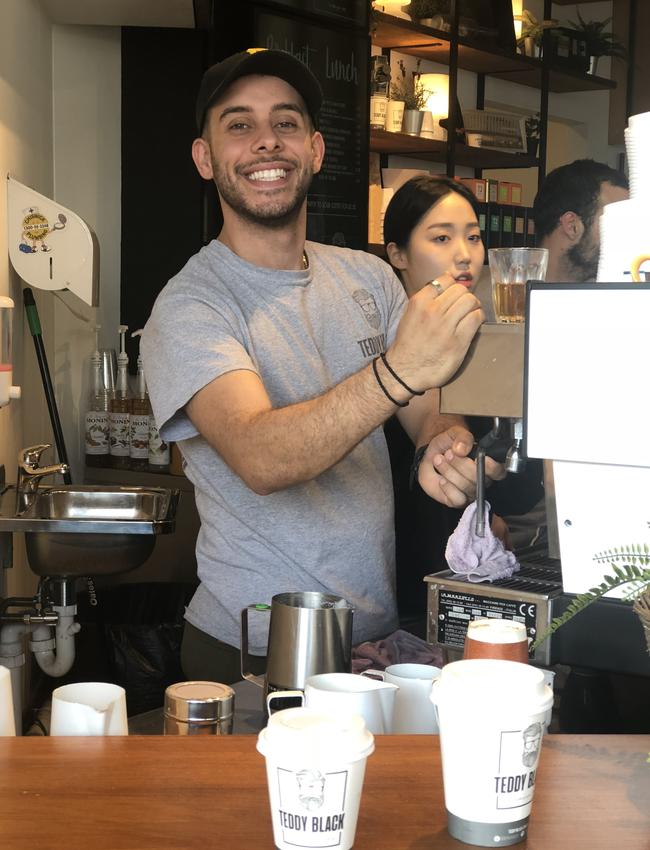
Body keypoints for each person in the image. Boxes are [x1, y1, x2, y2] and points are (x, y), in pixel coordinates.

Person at [141, 49, 501, 683]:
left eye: (284, 123)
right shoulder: (191, 305)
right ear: (205, 158)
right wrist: (396, 371)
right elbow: (261, 457)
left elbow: (429, 409)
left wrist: (447, 449)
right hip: (252, 650)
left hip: (375, 642)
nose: (265, 143)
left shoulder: (365, 276)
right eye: (238, 125)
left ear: (314, 149)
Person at [382, 175, 544, 617]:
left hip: (479, 583)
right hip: (404, 585)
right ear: (396, 253)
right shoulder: (385, 351)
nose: (464, 254)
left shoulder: (490, 342)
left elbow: (523, 487)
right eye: (441, 237)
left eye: (473, 237)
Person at [532, 158, 629, 284]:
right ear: (572, 226)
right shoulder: (507, 296)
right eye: (618, 223)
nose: (629, 238)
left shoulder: (623, 298)